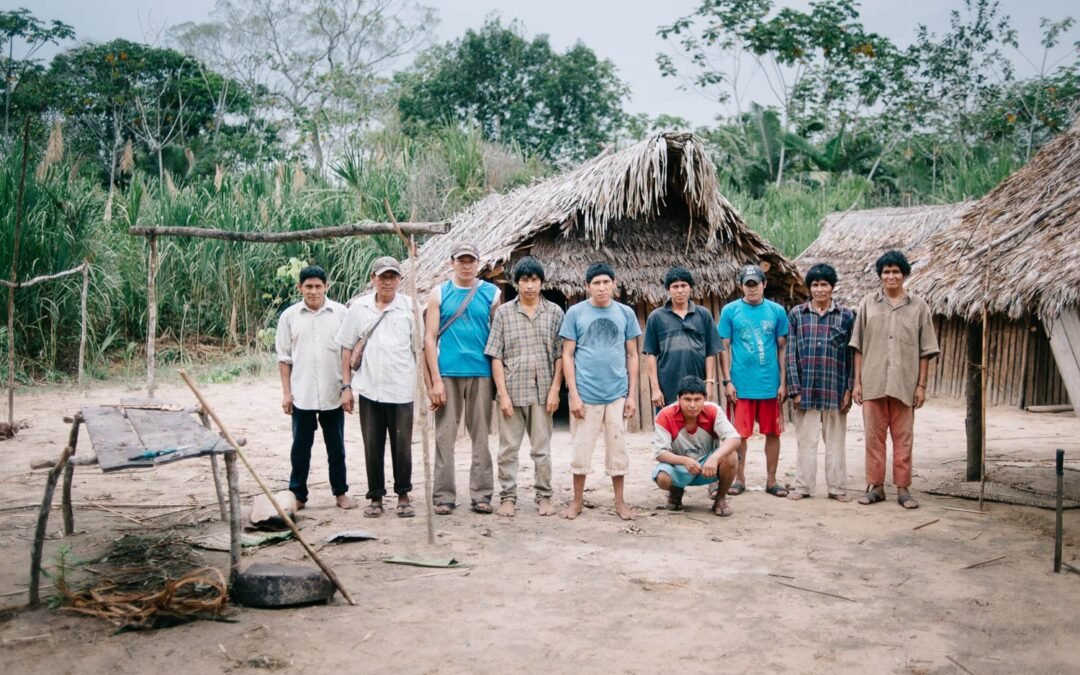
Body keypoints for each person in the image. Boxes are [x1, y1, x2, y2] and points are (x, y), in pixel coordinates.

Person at [850, 250, 940, 509]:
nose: (891, 276)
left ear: (904, 275)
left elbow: (926, 351)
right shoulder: (868, 304)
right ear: (880, 276)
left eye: (896, 272)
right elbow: (858, 347)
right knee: (873, 438)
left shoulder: (918, 306)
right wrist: (857, 383)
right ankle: (876, 487)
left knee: (904, 438)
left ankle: (903, 489)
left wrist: (921, 386)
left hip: (905, 384)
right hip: (873, 382)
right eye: (886, 272)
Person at [559, 262, 641, 521]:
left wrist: (631, 395)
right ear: (587, 286)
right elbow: (567, 355)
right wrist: (573, 394)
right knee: (581, 450)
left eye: (606, 282)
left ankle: (620, 502)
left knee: (618, 449)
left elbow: (632, 354)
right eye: (596, 283)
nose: (602, 287)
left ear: (614, 284)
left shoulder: (625, 313)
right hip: (586, 394)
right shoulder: (575, 313)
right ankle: (577, 501)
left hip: (616, 394)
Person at [424, 242, 501, 515]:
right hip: (448, 372)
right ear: (452, 263)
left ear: (478, 263)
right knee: (445, 436)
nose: (466, 265)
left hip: (481, 372)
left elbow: (498, 337)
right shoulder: (439, 294)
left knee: (481, 436)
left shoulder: (492, 294)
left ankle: (482, 494)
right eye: (461, 260)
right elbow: (430, 338)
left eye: (471, 261)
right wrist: (434, 380)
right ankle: (443, 496)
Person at [337, 256, 417, 518]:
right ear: (373, 278)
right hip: (370, 389)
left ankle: (403, 495)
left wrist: (427, 385)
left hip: (401, 388)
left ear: (399, 280)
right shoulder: (359, 308)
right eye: (383, 277)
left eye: (392, 277)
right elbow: (347, 348)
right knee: (373, 445)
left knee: (402, 446)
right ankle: (376, 497)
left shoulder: (410, 307)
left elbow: (421, 348)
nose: (387, 281)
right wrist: (346, 386)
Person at [485, 256, 564, 517]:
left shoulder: (554, 312)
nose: (529, 285)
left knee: (542, 450)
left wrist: (555, 390)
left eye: (534, 280)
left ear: (541, 282)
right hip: (513, 391)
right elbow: (496, 356)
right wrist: (503, 395)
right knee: (508, 450)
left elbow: (559, 355)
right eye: (524, 280)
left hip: (543, 393)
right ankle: (508, 497)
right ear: (516, 283)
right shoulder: (504, 313)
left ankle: (544, 496)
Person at [275, 265, 356, 510]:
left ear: (326, 287)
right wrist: (287, 393)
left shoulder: (341, 313)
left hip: (333, 392)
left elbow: (347, 352)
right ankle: (298, 495)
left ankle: (340, 493)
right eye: (308, 287)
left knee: (337, 447)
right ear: (299, 287)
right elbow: (284, 357)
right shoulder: (289, 316)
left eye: (318, 286)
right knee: (300, 448)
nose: (313, 291)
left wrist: (346, 387)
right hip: (303, 394)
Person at [717, 263, 790, 497]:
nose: (752, 289)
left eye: (755, 284)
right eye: (747, 285)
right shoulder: (730, 311)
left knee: (773, 433)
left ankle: (772, 480)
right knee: (739, 436)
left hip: (770, 384)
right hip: (741, 385)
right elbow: (724, 347)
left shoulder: (777, 312)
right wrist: (727, 381)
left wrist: (783, 383)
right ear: (741, 286)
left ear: (764, 285)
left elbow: (782, 349)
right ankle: (739, 479)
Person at [785, 263, 855, 502]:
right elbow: (791, 354)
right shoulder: (797, 315)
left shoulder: (846, 316)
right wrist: (795, 390)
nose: (819, 289)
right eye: (815, 285)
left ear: (832, 287)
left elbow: (850, 356)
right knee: (806, 441)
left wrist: (848, 389)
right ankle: (803, 487)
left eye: (824, 284)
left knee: (836, 443)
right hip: (806, 391)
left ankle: (837, 488)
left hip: (834, 391)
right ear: (809, 288)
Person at [652, 375, 741, 516]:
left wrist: (715, 457)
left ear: (705, 399)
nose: (692, 405)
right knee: (662, 477)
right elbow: (660, 453)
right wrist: (685, 461)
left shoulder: (713, 410)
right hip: (680, 466)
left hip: (708, 465)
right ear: (678, 399)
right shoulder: (664, 415)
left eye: (697, 399)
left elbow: (735, 438)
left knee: (731, 455)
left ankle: (720, 499)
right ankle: (675, 492)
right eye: (687, 399)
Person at [643, 266, 723, 413]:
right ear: (668, 290)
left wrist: (709, 383)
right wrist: (655, 389)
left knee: (698, 431)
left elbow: (710, 352)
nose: (680, 290)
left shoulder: (703, 315)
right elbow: (651, 355)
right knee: (668, 431)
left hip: (697, 388)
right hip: (667, 387)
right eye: (675, 286)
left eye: (684, 286)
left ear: (690, 288)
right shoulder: (656, 317)